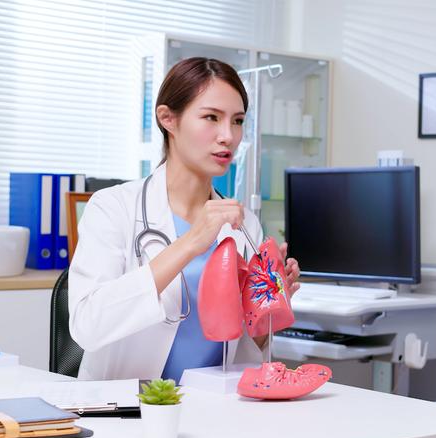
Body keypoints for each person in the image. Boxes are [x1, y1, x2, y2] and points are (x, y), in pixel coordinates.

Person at [68, 57, 301, 381]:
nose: (228, 136)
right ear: (169, 119)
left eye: (237, 121)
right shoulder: (113, 208)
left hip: (212, 411)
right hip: (126, 412)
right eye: (211, 117)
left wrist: (267, 310)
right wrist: (191, 242)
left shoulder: (243, 223)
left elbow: (242, 355)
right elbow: (87, 326)